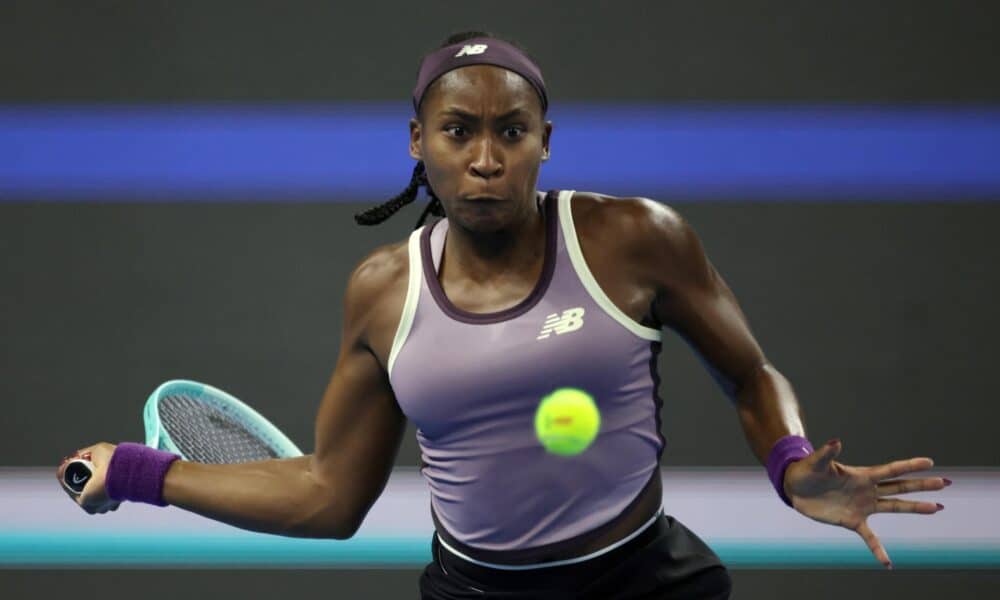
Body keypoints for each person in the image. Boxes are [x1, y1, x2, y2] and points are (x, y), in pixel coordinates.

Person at [58, 31, 948, 599]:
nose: (486, 159)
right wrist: (139, 473)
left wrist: (791, 461)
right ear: (418, 141)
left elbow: (750, 373)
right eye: (458, 132)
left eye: (511, 132)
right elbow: (329, 496)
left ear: (545, 142)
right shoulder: (383, 291)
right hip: (476, 592)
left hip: (647, 581)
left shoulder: (635, 238)